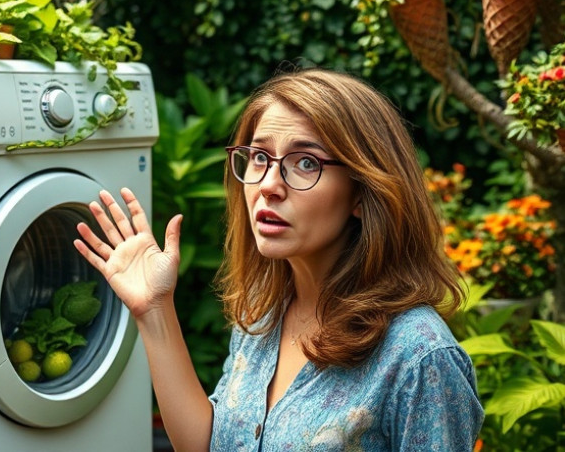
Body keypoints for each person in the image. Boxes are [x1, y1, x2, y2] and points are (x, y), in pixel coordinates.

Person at [73, 67, 484, 451]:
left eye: (305, 163)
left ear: (362, 191)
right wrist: (154, 310)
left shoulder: (419, 358)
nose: (268, 185)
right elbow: (209, 443)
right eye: (259, 157)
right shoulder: (263, 311)